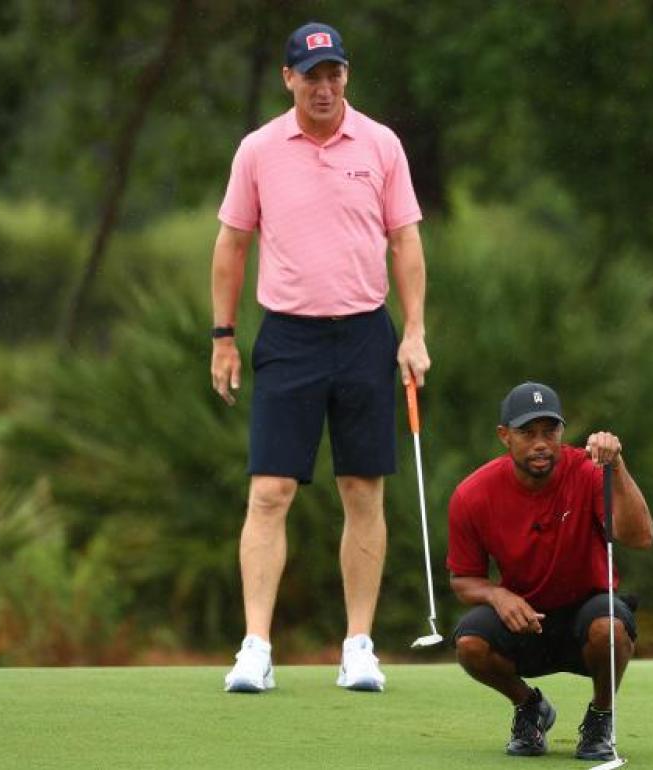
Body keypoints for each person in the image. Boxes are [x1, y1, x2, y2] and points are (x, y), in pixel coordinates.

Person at [209, 21, 430, 693]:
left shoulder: (382, 144)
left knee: (362, 489)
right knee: (270, 491)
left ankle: (358, 646)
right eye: (312, 75)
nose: (325, 85)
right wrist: (222, 336)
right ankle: (256, 648)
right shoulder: (258, 150)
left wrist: (414, 330)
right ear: (289, 80)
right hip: (289, 335)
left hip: (365, 331)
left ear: (346, 76)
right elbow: (231, 246)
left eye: (334, 73)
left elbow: (406, 244)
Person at [447, 382, 653, 760]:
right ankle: (530, 707)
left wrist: (617, 466)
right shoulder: (472, 494)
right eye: (528, 433)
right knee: (470, 644)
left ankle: (600, 717)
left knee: (609, 625)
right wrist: (498, 595)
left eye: (550, 432)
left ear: (562, 432)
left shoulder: (590, 472)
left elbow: (640, 537)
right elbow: (463, 580)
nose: (541, 443)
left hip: (588, 615)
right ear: (504, 436)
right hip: (526, 620)